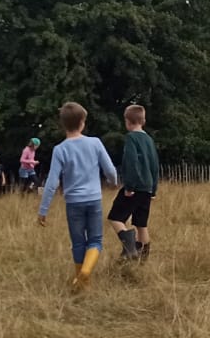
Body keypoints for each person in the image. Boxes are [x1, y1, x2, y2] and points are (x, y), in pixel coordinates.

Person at [37, 102, 118, 291]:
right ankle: (86, 273)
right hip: (94, 199)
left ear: (63, 125)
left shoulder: (60, 149)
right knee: (96, 241)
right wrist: (113, 182)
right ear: (82, 122)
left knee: (78, 242)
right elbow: (110, 170)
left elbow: (51, 183)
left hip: (73, 203)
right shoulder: (95, 143)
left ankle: (81, 280)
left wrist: (43, 210)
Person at [109, 103, 159, 261]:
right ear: (143, 121)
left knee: (115, 217)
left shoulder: (131, 138)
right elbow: (154, 165)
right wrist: (153, 189)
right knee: (141, 224)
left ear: (127, 121)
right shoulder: (149, 140)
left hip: (134, 187)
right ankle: (143, 261)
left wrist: (129, 186)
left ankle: (130, 250)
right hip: (147, 188)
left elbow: (130, 162)